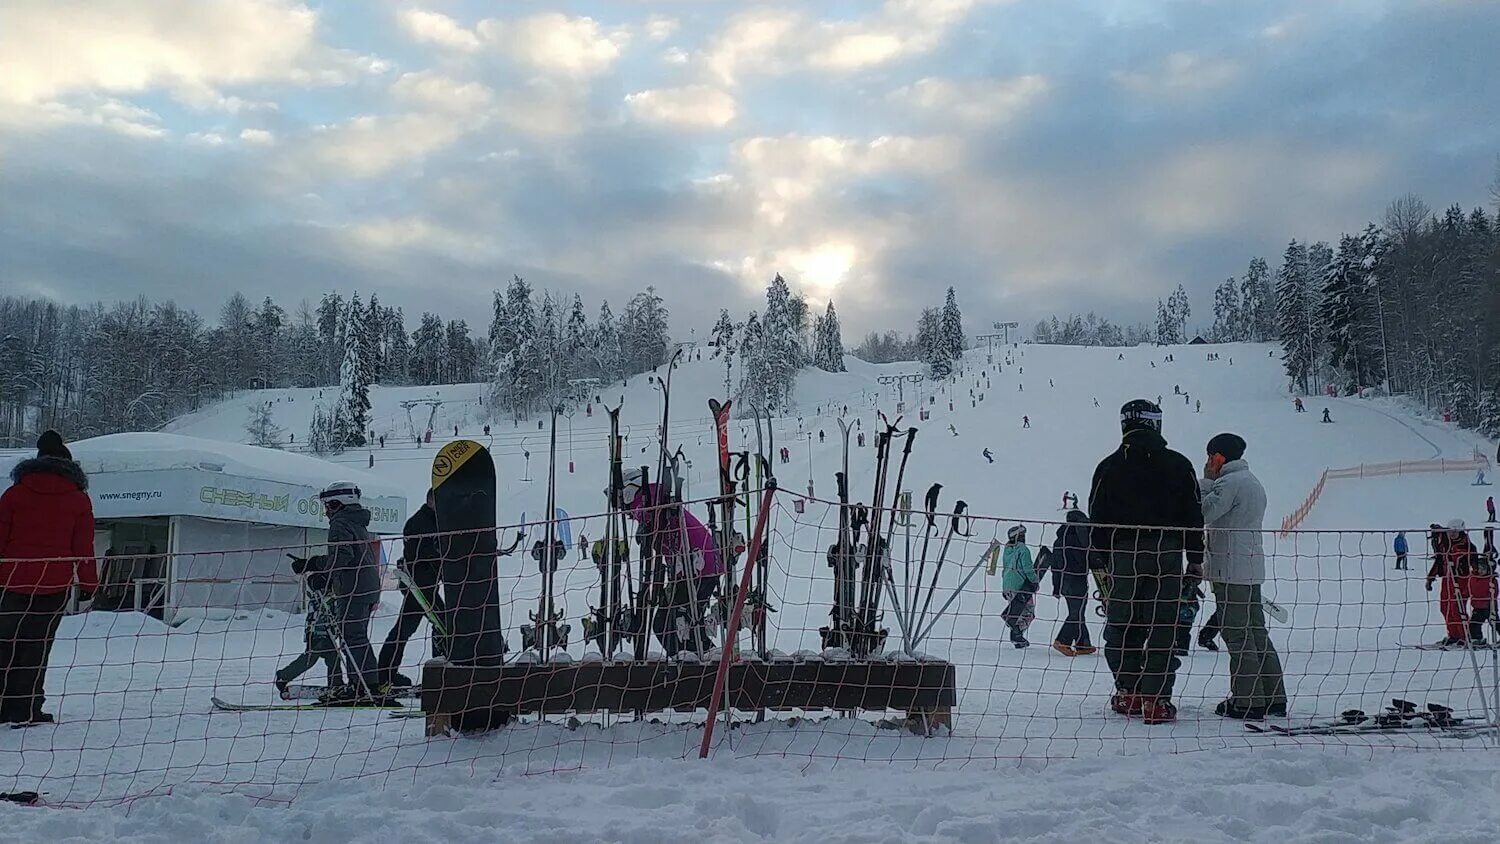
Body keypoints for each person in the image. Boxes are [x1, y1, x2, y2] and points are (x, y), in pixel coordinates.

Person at [1088, 399, 1204, 725]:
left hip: (1124, 554)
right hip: (1167, 553)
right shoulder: (1178, 464)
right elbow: (1194, 515)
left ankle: (1128, 690)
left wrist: (1102, 561)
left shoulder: (1109, 466)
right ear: (1155, 424)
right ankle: (1156, 698)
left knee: (1123, 623)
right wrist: (1195, 558)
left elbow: (1096, 516)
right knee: (1162, 625)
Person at [0, 431, 98, 725]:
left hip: (10, 583)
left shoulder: (13, 495)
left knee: (4, 644)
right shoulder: (79, 499)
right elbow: (84, 546)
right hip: (53, 585)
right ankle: (27, 708)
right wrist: (89, 583)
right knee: (37, 646)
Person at [1199, 433, 1287, 720]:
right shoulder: (1252, 481)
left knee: (1237, 634)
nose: (1208, 462)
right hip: (1250, 567)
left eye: (1210, 456)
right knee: (1256, 632)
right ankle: (1273, 696)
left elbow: (1204, 512)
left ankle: (1247, 700)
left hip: (1229, 568)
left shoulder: (1227, 483)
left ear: (1219, 457)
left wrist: (1206, 482)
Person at [295, 482, 385, 703]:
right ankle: (365, 684)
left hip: (352, 588)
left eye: (328, 506)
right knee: (356, 636)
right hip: (367, 586)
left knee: (351, 636)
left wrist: (316, 568)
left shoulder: (340, 523)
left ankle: (363, 687)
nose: (326, 512)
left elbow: (341, 556)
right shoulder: (357, 522)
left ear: (338, 504)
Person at [621, 469, 723, 656]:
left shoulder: (648, 501)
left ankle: (693, 659)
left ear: (629, 491)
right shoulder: (655, 498)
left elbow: (647, 516)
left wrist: (644, 528)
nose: (622, 509)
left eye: (622, 498)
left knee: (669, 622)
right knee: (682, 621)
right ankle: (701, 657)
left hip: (697, 566)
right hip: (696, 566)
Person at [376, 490, 447, 689]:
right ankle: (440, 671)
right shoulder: (421, 523)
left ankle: (386, 672)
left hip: (423, 585)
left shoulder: (433, 520)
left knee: (405, 630)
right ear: (432, 501)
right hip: (419, 586)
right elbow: (427, 553)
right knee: (444, 626)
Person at [276, 556, 344, 698]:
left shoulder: (331, 598)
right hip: (318, 634)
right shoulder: (321, 599)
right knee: (310, 659)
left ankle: (336, 683)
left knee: (334, 659)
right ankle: (284, 675)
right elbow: (317, 617)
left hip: (328, 633)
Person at [1050, 511, 1096, 656]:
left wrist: (1056, 587)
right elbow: (1088, 558)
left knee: (1077, 611)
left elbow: (1054, 566)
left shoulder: (1059, 541)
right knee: (1077, 612)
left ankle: (1083, 643)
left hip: (1064, 581)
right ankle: (1062, 640)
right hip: (1077, 579)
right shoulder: (1080, 538)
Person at [1425, 520, 1472, 647]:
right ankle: (1453, 635)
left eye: (1455, 532)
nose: (1452, 534)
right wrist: (1430, 577)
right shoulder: (1445, 544)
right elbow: (1439, 560)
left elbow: (1472, 564)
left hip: (1461, 580)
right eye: (1450, 531)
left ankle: (1465, 636)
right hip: (1447, 579)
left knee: (1457, 608)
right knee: (1445, 607)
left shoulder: (1466, 545)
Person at [996, 525, 1038, 648]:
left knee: (1016, 610)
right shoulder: (1023, 550)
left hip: (1008, 584)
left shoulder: (1007, 549)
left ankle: (1017, 635)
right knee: (1028, 612)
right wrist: (1034, 581)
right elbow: (1028, 568)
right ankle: (1017, 633)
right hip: (1020, 585)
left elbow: (1004, 567)